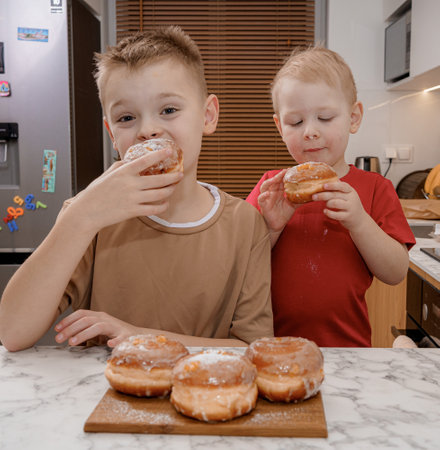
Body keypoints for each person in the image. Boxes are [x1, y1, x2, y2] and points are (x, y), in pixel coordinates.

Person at [0, 26, 273, 352]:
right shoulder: (90, 217)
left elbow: (252, 347)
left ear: (208, 115)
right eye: (127, 117)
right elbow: (12, 332)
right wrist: (81, 217)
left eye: (169, 110)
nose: (148, 130)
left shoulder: (245, 224)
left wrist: (142, 338)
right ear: (111, 134)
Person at [246, 46, 415, 347]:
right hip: (272, 349)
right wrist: (271, 228)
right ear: (279, 127)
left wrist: (360, 222)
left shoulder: (377, 188)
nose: (309, 131)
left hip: (349, 350)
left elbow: (396, 272)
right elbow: (240, 265)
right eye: (296, 122)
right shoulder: (271, 187)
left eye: (324, 117)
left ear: (353, 117)